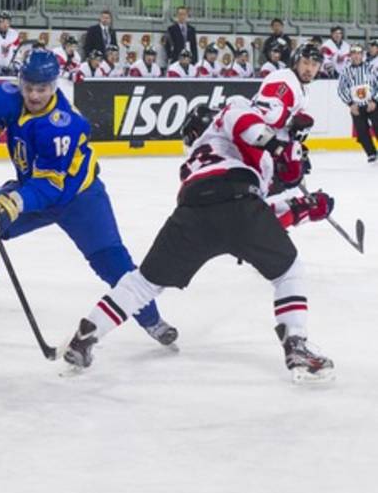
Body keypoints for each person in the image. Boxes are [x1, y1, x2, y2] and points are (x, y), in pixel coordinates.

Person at [62, 44, 336, 384]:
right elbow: (247, 134)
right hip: (238, 201)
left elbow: (263, 208)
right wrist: (282, 149)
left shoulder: (200, 158)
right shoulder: (235, 110)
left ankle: (87, 334)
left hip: (195, 210)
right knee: (288, 270)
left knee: (145, 283)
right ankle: (296, 344)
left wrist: (302, 204)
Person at [0, 48, 178, 348]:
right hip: (33, 188)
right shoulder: (6, 96)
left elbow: (50, 186)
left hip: (79, 198)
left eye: (42, 89)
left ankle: (153, 321)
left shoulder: (62, 124)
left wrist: (10, 205)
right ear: (20, 80)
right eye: (29, 87)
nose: (34, 95)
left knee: (111, 262)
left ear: (54, 85)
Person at [337, 44, 378, 162]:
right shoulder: (345, 71)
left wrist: (374, 100)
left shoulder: (371, 68)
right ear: (350, 55)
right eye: (354, 53)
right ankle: (371, 153)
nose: (356, 56)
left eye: (359, 53)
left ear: (362, 55)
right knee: (361, 131)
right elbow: (341, 89)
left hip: (372, 105)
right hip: (356, 107)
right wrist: (350, 104)